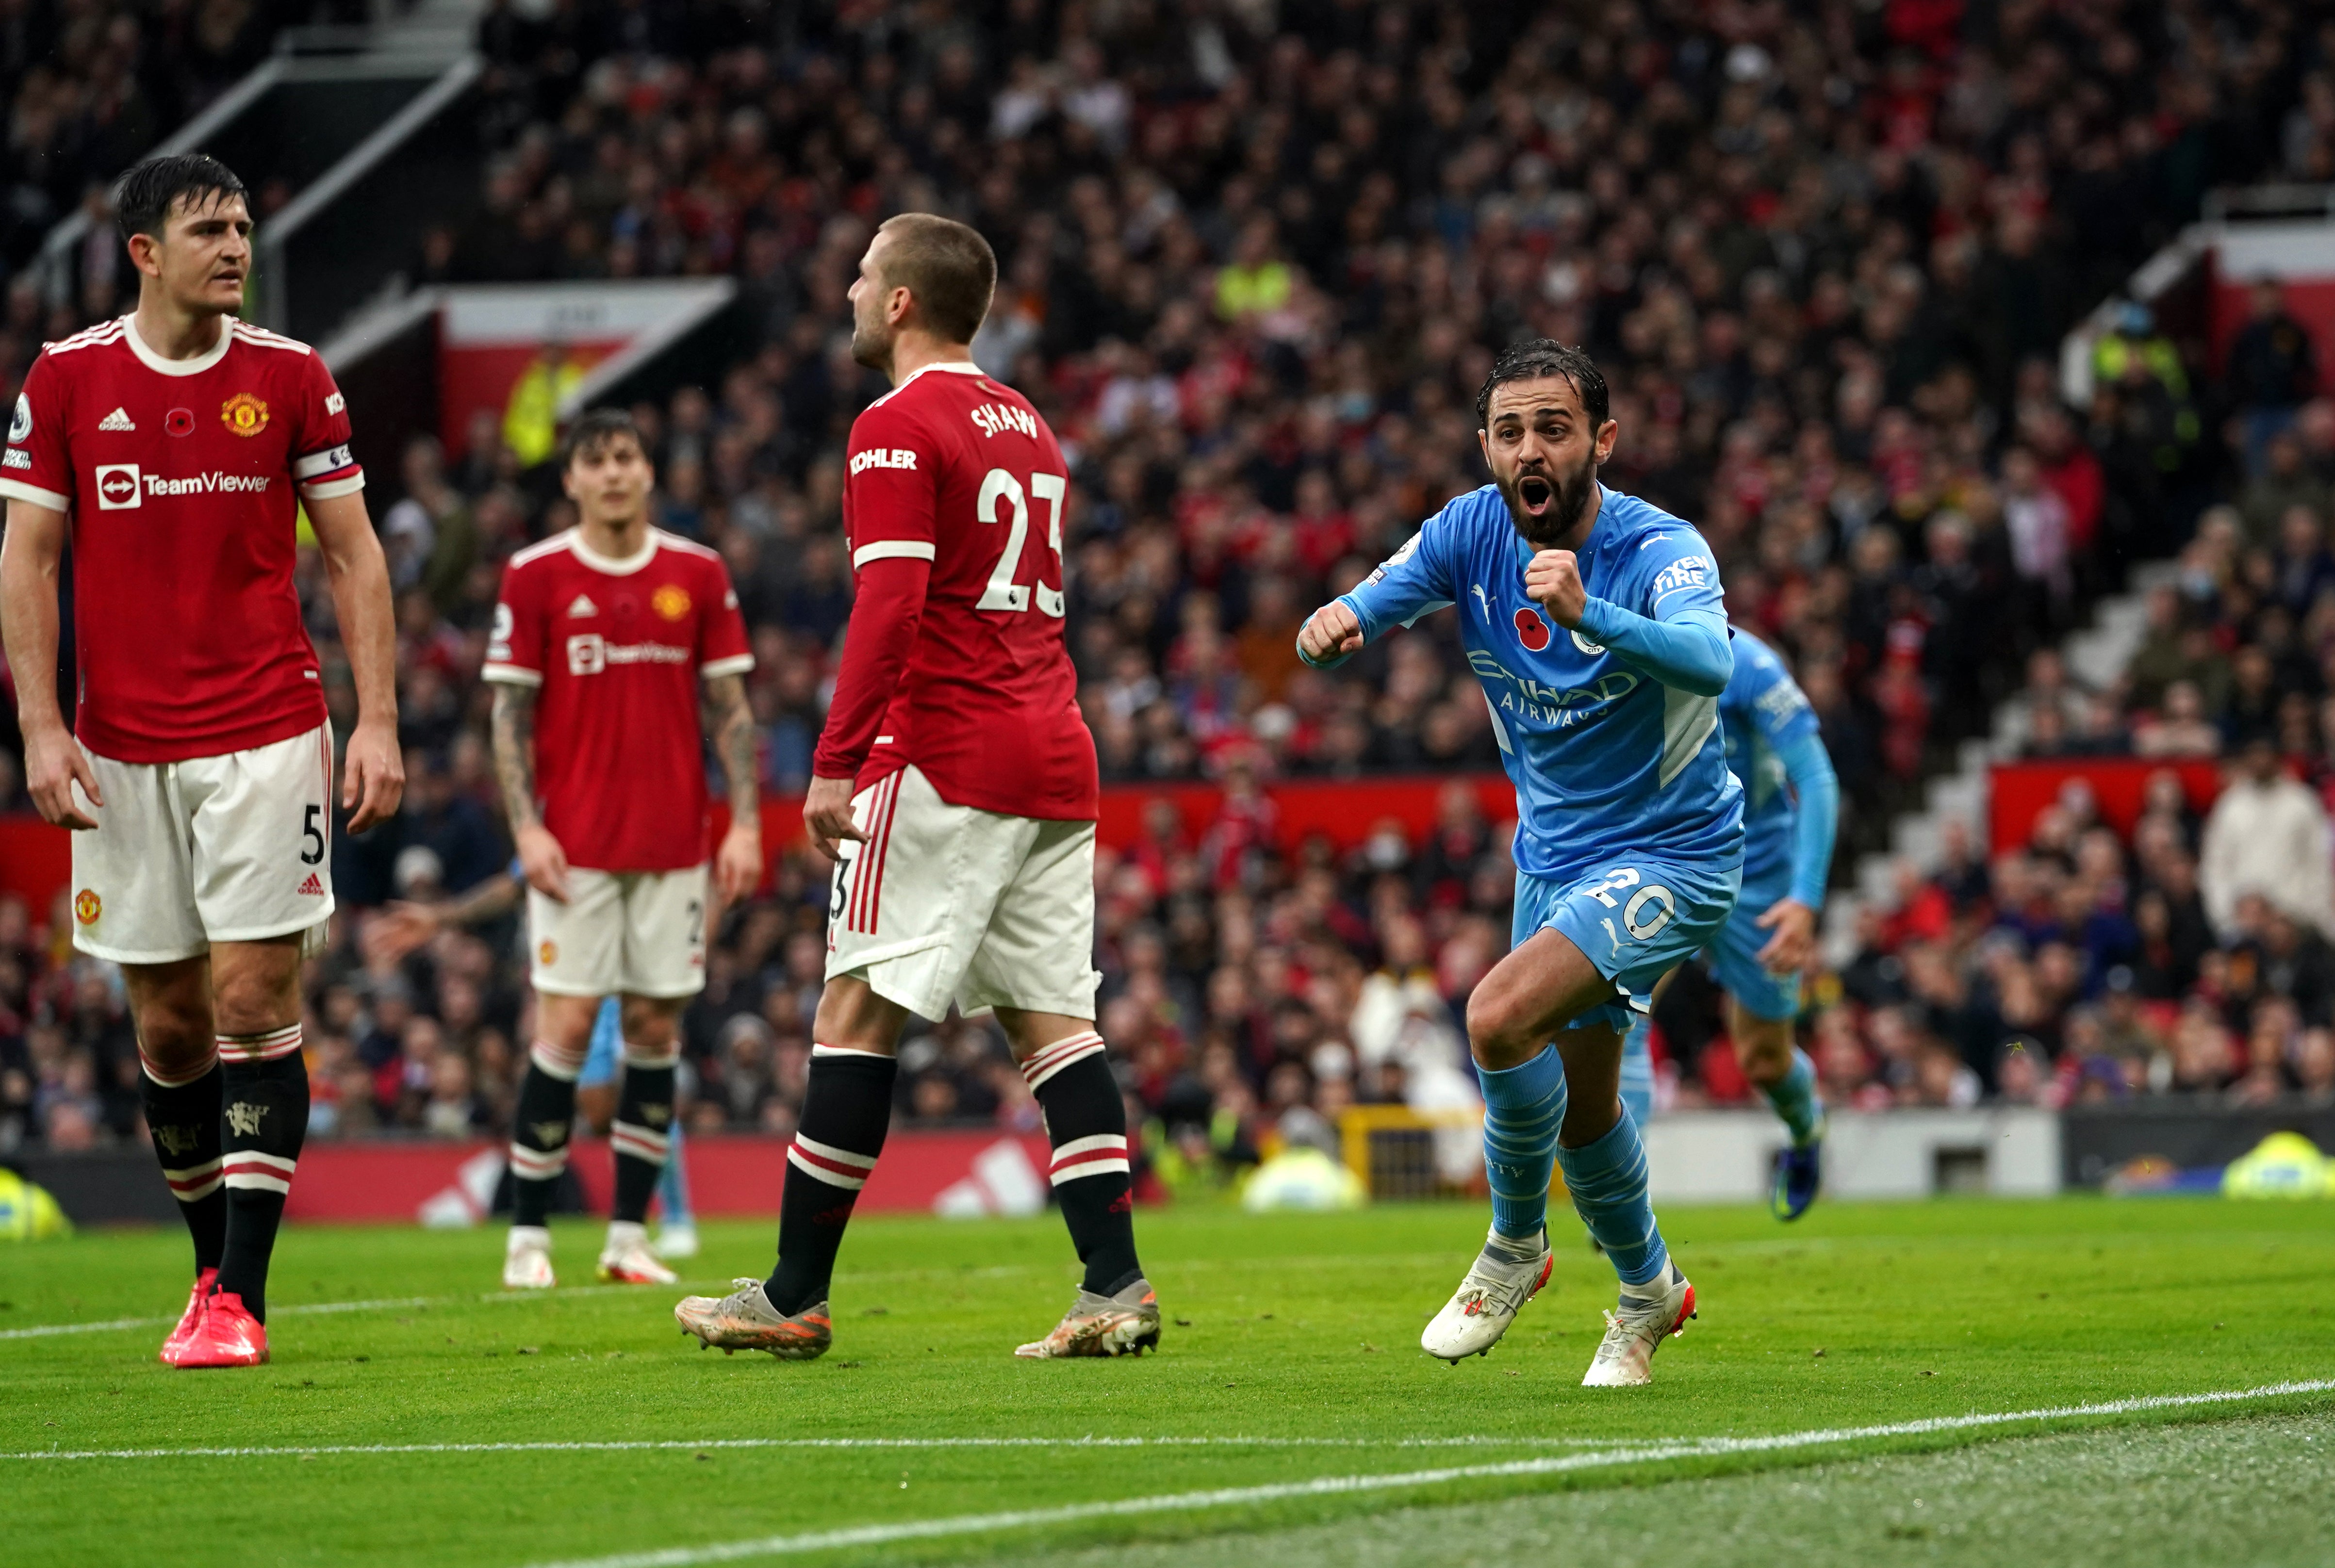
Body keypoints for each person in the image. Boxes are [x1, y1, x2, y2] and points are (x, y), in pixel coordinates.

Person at [673, 213, 1159, 1361]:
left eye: (860, 275)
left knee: (854, 1011)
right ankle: (1114, 1284)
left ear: (898, 303)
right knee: (1054, 1027)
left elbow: (890, 605)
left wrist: (836, 756)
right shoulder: (1028, 423)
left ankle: (792, 1290)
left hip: (947, 751)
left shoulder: (896, 424)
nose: (846, 289)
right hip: (1053, 752)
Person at [0, 153, 404, 1368]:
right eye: (209, 229)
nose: (235, 245)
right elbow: (27, 561)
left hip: (267, 731)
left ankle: (244, 1295)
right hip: (119, 750)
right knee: (170, 1028)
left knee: (249, 1000)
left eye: (242, 225)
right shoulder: (68, 380)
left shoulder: (290, 378)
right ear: (144, 252)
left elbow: (353, 555)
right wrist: (38, 724)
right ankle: (208, 1265)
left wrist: (375, 717)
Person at [1296, 339, 1742, 1388]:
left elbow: (1713, 660)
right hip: (1553, 859)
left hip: (1674, 851)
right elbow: (1391, 586)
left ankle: (1515, 1245)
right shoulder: (1470, 530)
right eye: (1509, 432)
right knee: (1587, 1108)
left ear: (1602, 439)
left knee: (1496, 1016)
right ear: (1487, 448)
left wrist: (1596, 614)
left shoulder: (1661, 547)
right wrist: (1343, 619)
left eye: (1553, 427)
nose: (1529, 448)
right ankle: (1648, 1292)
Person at [481, 408, 759, 1289]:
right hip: (577, 850)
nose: (612, 474)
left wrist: (745, 824)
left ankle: (627, 1237)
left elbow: (731, 710)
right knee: (563, 1029)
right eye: (594, 461)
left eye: (626, 458)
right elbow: (508, 715)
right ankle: (528, 1236)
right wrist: (526, 826)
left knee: (653, 1029)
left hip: (675, 846)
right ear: (570, 479)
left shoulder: (697, 573)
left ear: (648, 471)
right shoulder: (535, 577)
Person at [1619, 628, 1838, 1220]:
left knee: (1763, 1060)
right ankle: (1620, 1191)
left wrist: (1805, 899)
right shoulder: (1620, 649)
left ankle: (1804, 1130)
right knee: (1622, 1010)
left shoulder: (1751, 667)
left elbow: (1816, 779)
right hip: (1664, 865)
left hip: (1758, 878)